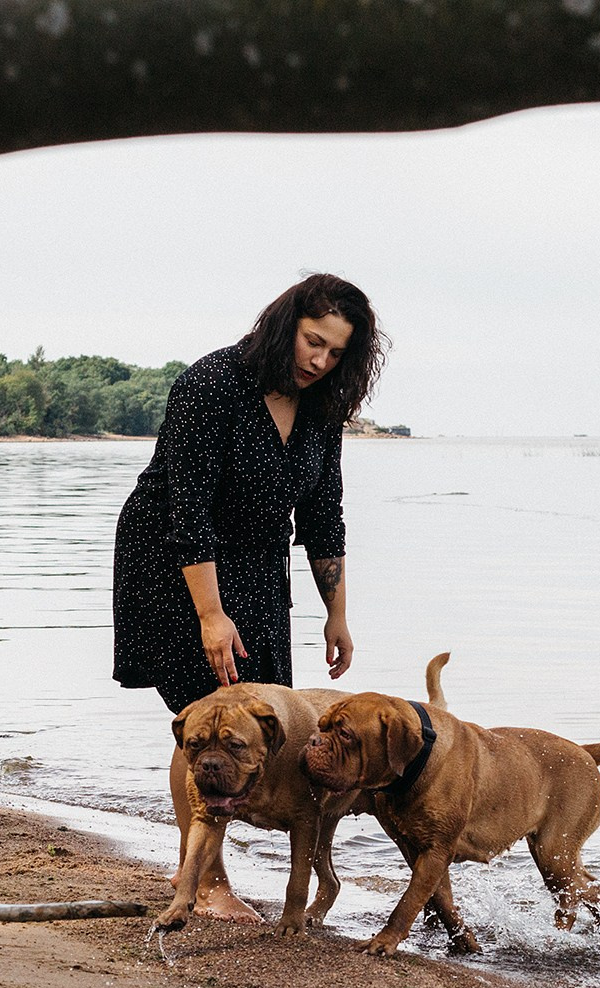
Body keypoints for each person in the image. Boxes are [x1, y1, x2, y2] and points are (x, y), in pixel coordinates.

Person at [112, 273, 385, 920]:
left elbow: (324, 514)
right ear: (284, 324)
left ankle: (206, 872)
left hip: (259, 571)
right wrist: (209, 615)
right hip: (175, 564)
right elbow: (189, 513)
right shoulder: (212, 385)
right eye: (313, 341)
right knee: (206, 720)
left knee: (253, 722)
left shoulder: (322, 409)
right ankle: (205, 883)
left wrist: (336, 613)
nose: (320, 360)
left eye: (336, 352)